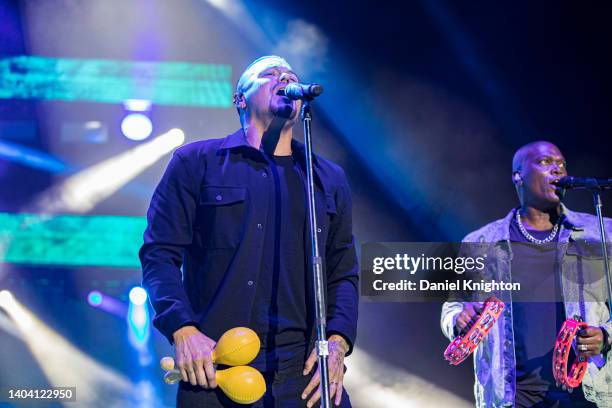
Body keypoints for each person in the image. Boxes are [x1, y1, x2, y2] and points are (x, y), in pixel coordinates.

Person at [140, 55, 358, 407]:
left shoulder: (326, 178)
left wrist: (337, 343)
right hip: (217, 370)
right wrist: (183, 329)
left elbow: (343, 270)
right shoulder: (196, 163)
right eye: (269, 73)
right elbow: (159, 255)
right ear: (239, 98)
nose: (284, 77)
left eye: (290, 74)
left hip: (303, 375)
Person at [441, 141, 612, 407]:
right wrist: (457, 320)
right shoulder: (481, 242)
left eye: (561, 163)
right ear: (518, 175)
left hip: (587, 394)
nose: (557, 169)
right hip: (514, 398)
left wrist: (606, 337)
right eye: (545, 162)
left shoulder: (600, 233)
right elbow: (453, 307)